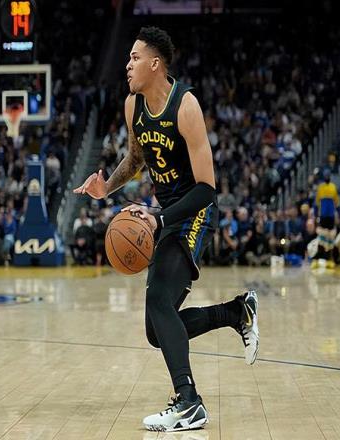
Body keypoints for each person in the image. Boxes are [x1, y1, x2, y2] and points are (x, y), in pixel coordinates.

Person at [73, 27, 259, 432]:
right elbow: (135, 159)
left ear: (155, 64)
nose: (127, 65)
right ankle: (236, 312)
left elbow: (207, 189)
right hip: (165, 213)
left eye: (135, 58)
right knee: (156, 330)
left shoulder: (186, 106)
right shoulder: (132, 106)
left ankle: (189, 402)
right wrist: (107, 187)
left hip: (194, 212)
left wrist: (159, 218)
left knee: (159, 300)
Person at [312, 169, 339, 269]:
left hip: (331, 216)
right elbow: (316, 203)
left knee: (330, 238)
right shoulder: (320, 188)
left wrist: (338, 215)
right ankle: (317, 258)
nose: (327, 177)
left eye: (328, 176)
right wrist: (315, 216)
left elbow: (337, 203)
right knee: (321, 237)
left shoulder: (333, 187)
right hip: (323, 216)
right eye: (326, 176)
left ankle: (330, 259)